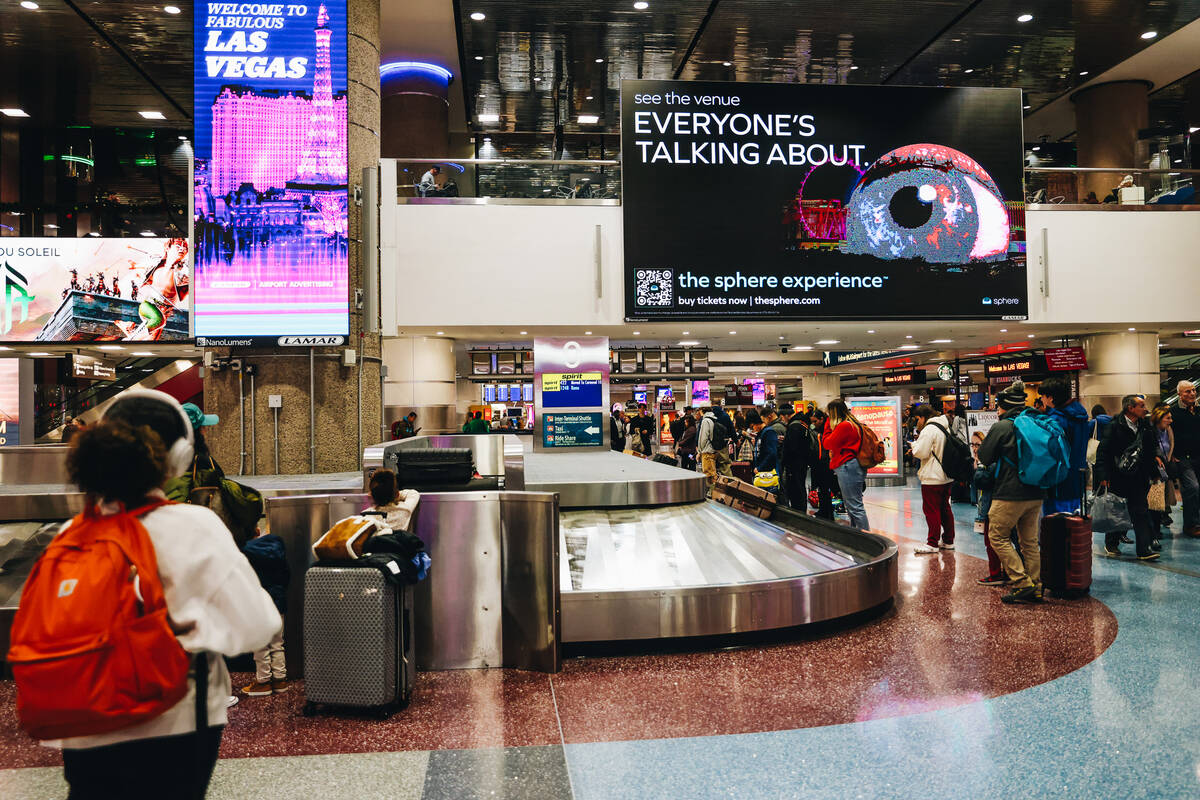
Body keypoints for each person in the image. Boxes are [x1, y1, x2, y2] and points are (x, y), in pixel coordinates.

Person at [49, 390, 280, 798]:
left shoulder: (71, 534)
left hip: (83, 722)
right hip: (175, 723)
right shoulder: (194, 526)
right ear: (177, 457)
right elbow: (257, 627)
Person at [977, 380, 1046, 603]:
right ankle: (1036, 586)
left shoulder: (1002, 426)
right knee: (1029, 542)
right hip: (1035, 492)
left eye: (998, 407)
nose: (996, 410)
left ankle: (1021, 581)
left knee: (997, 536)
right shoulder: (1035, 421)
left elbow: (985, 457)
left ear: (1004, 406)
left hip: (1009, 493)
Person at [1095, 394, 1160, 561]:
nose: (1146, 409)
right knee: (1117, 509)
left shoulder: (1145, 426)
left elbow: (1150, 452)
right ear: (1130, 408)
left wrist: (1154, 473)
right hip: (1119, 476)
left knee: (1140, 511)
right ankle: (1111, 543)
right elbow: (1103, 452)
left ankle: (1143, 549)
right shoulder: (1115, 426)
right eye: (1141, 406)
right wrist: (1103, 475)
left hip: (1139, 477)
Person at [239, 529, 290, 698]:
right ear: (258, 531)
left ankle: (263, 682)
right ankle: (280, 680)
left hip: (258, 602)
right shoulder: (277, 545)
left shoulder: (245, 551)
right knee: (277, 642)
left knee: (261, 645)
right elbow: (286, 575)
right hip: (278, 600)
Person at [1038, 376, 1089, 515]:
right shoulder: (1081, 416)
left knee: (1056, 525)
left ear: (1051, 398)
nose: (1041, 400)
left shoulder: (1056, 421)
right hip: (1077, 479)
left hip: (1058, 482)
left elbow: (1050, 452)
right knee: (1074, 523)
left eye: (1043, 396)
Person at [910, 404, 956, 553]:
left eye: (918, 419)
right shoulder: (944, 426)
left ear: (923, 417)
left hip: (932, 476)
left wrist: (914, 445)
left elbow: (921, 452)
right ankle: (948, 540)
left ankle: (932, 543)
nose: (917, 422)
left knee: (931, 510)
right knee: (945, 509)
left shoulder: (929, 429)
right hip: (947, 475)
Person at [821, 399, 869, 531]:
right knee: (852, 505)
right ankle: (857, 534)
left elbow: (827, 443)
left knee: (855, 506)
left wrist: (826, 426)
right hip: (852, 466)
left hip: (848, 466)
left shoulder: (844, 426)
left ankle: (866, 538)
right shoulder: (852, 424)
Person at [1171, 380, 1200, 537]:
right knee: (1192, 487)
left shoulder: (1197, 410)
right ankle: (1191, 525)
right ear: (1179, 395)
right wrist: (1170, 454)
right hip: (1182, 458)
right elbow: (1164, 435)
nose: (1192, 394)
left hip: (1198, 456)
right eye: (1187, 391)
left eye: (1193, 390)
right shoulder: (1173, 412)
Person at [1150, 403, 1178, 542]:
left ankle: (1157, 527)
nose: (1170, 420)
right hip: (1154, 471)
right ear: (1160, 418)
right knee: (1154, 501)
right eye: (1168, 418)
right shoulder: (1150, 431)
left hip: (1165, 467)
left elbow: (1171, 444)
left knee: (1162, 498)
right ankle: (1154, 531)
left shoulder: (1168, 430)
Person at [365, 467, 420, 532]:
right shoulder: (405, 510)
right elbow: (413, 493)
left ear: (372, 496)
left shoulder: (367, 516)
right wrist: (393, 494)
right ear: (397, 494)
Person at [782, 410, 816, 511]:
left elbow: (792, 448)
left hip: (794, 465)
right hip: (802, 463)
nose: (783, 420)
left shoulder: (794, 426)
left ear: (787, 415)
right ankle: (801, 512)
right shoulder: (802, 424)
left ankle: (798, 514)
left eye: (783, 417)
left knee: (796, 491)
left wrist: (785, 462)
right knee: (800, 488)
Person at [747, 409, 779, 494]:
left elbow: (772, 453)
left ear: (756, 423)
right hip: (762, 472)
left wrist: (760, 467)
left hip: (768, 473)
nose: (753, 429)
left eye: (752, 426)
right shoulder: (760, 434)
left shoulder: (769, 432)